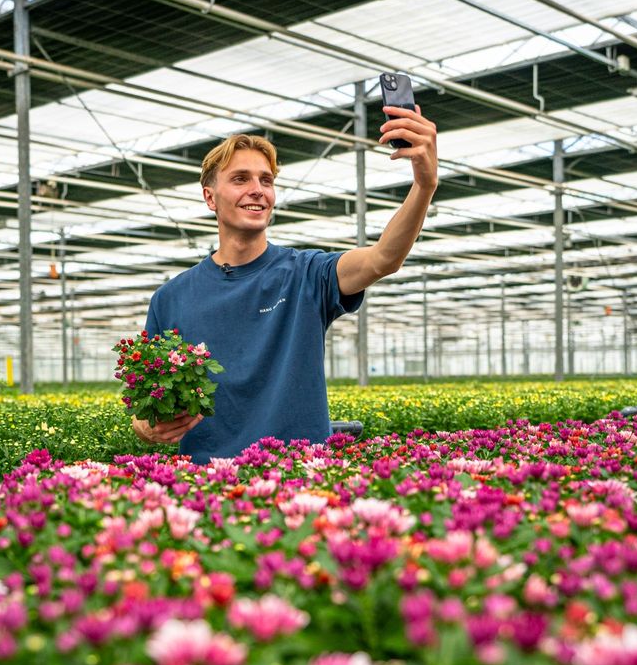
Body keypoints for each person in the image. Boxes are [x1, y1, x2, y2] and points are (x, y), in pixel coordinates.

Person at [133, 102, 438, 462]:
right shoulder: (171, 299)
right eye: (240, 179)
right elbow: (143, 408)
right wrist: (148, 428)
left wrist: (424, 184)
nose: (258, 189)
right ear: (210, 197)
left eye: (266, 180)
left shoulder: (307, 274)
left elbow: (383, 257)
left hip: (297, 485)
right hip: (208, 490)